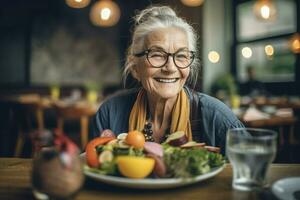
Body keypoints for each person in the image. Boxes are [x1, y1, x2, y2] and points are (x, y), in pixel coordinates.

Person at [92, 6, 244, 155]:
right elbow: (94, 170)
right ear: (135, 68)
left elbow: (255, 173)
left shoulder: (218, 118)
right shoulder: (110, 113)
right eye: (157, 54)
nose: (170, 68)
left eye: (181, 56)